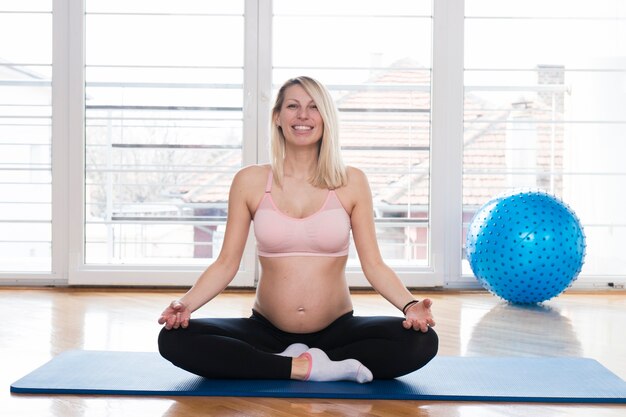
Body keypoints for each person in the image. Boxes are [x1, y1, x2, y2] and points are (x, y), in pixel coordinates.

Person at [158, 76, 438, 383]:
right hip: (266, 331)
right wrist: (184, 305)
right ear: (277, 117)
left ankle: (277, 366)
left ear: (325, 118)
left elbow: (374, 265)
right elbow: (226, 263)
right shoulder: (250, 181)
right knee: (173, 339)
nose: (303, 115)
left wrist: (410, 306)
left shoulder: (351, 181)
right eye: (293, 106)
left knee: (422, 342)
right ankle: (308, 367)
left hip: (338, 331)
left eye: (313, 107)